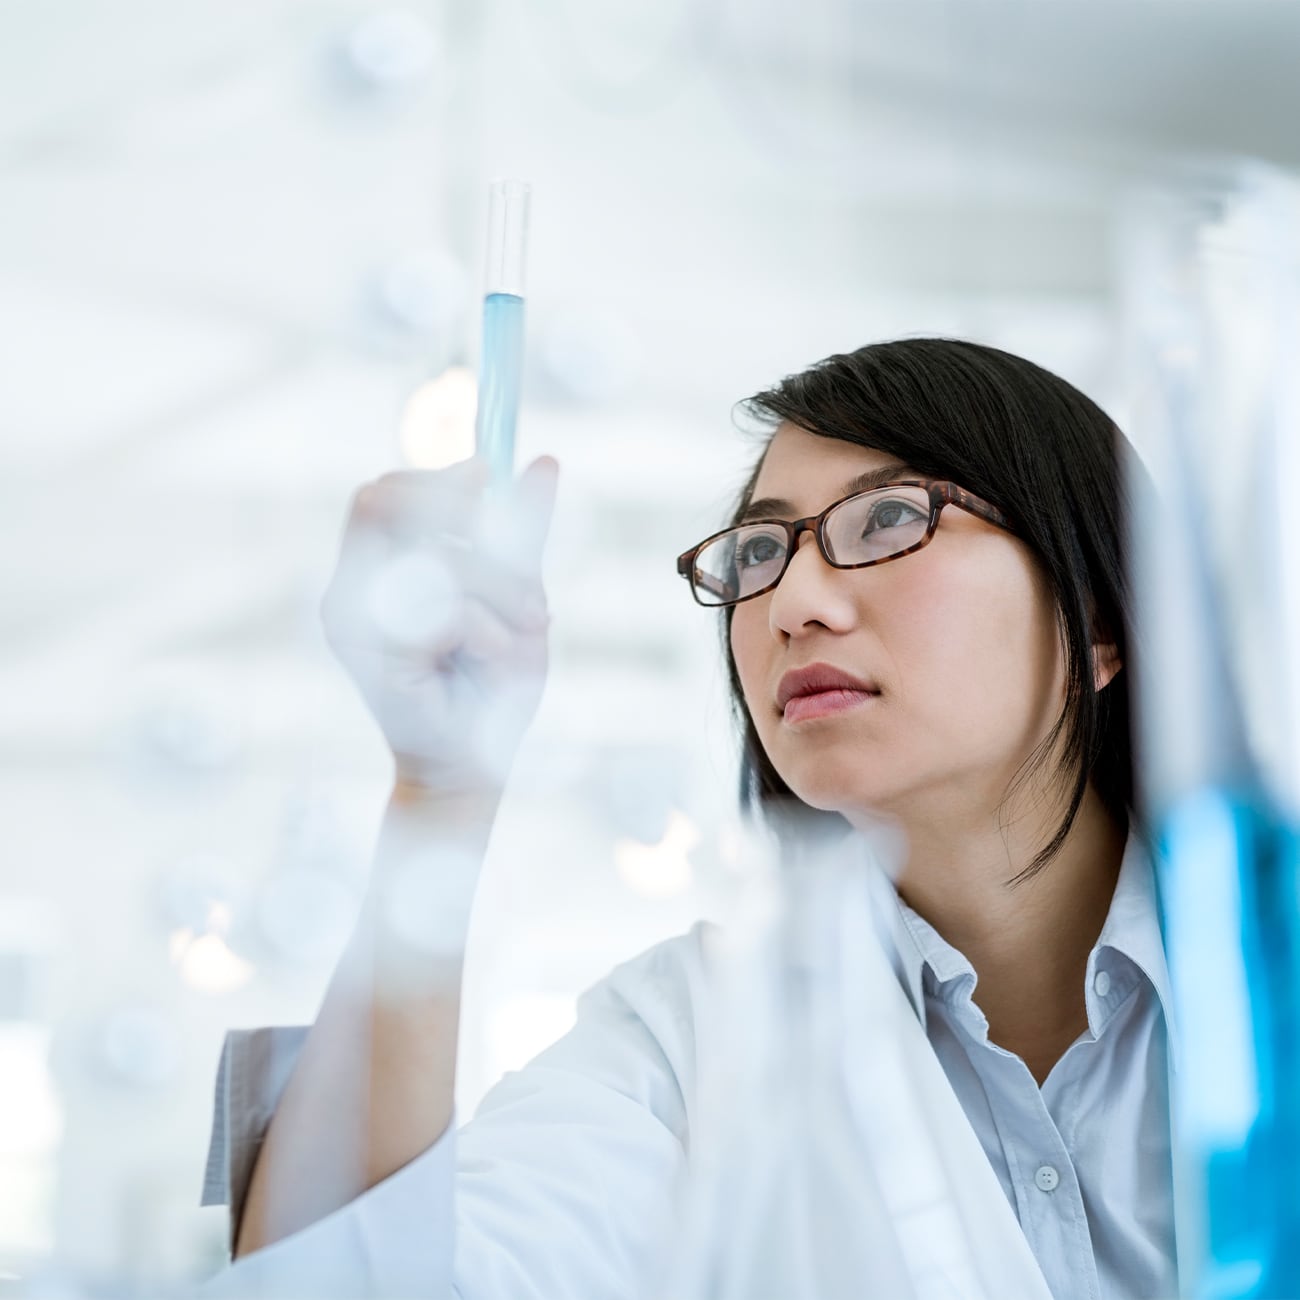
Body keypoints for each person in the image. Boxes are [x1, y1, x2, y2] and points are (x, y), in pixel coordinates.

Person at [200, 338, 1176, 1299]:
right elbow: (346, 1282)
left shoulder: (1267, 955)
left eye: (886, 519)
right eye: (757, 550)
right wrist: (440, 792)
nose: (792, 601)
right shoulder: (686, 1040)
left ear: (1096, 616)